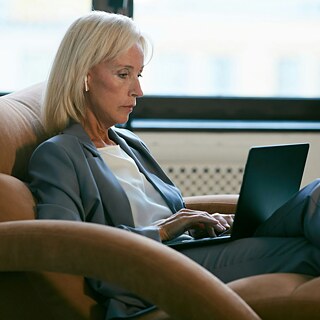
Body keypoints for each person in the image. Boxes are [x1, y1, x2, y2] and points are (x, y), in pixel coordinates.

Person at [28, 11, 320, 320]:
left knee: (314, 194)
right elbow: (63, 247)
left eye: (138, 75)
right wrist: (163, 230)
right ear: (85, 76)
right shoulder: (58, 154)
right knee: (307, 253)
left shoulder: (128, 142)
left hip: (191, 251)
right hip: (153, 274)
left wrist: (204, 223)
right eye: (124, 74)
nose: (137, 90)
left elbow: (172, 210)